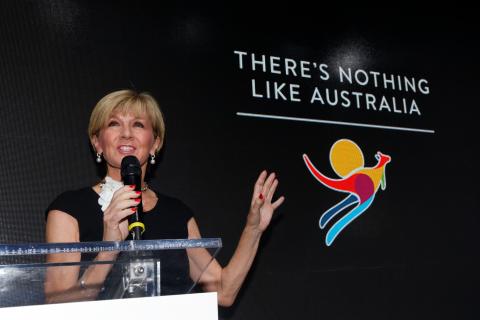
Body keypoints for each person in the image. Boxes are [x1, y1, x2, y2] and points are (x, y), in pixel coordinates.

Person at [44, 89, 284, 306]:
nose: (126, 134)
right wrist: (109, 248)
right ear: (97, 142)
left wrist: (253, 229)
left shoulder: (176, 213)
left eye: (138, 124)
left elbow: (223, 291)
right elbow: (57, 305)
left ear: (155, 143)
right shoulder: (68, 209)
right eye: (114, 124)